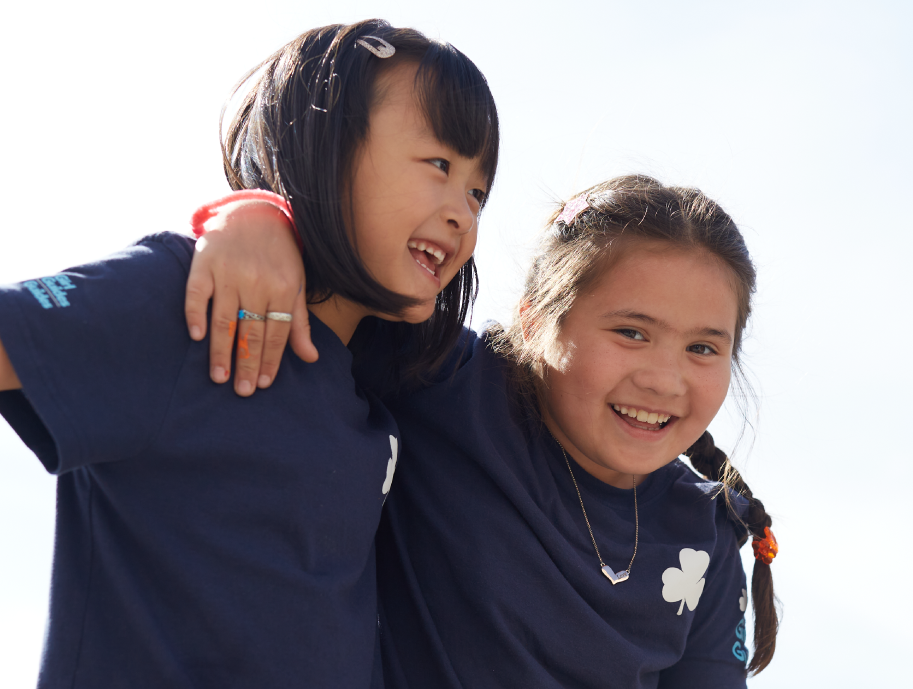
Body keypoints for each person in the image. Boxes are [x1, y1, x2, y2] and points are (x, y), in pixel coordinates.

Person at [0, 19, 497, 688]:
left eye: (478, 190)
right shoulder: (185, 306)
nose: (463, 211)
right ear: (330, 146)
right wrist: (254, 207)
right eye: (437, 162)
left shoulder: (396, 385)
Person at [189, 174, 780, 687]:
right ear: (534, 321)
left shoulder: (704, 537)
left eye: (703, 347)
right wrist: (257, 219)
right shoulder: (447, 382)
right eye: (631, 332)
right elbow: (329, 282)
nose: (664, 380)